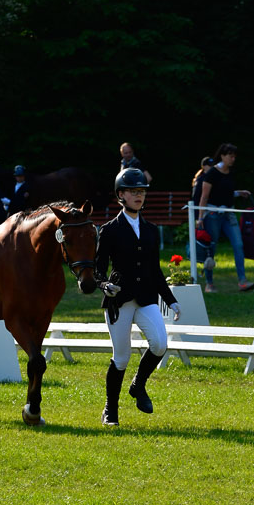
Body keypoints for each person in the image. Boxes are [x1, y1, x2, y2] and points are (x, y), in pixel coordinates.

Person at [95, 168, 182, 427]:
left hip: (146, 299)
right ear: (120, 195)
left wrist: (170, 299)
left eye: (142, 192)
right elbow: (99, 268)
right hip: (120, 300)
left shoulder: (152, 230)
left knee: (160, 344)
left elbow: (155, 270)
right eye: (133, 192)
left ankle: (138, 385)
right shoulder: (109, 230)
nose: (139, 196)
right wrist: (104, 284)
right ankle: (110, 409)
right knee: (121, 357)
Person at [197, 143, 254, 293]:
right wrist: (200, 218)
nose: (233, 158)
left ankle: (242, 281)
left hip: (228, 214)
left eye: (234, 156)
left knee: (238, 244)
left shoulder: (230, 172)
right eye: (230, 155)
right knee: (212, 248)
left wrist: (238, 193)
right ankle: (209, 284)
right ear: (222, 155)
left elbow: (225, 192)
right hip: (212, 215)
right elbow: (205, 196)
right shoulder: (212, 173)